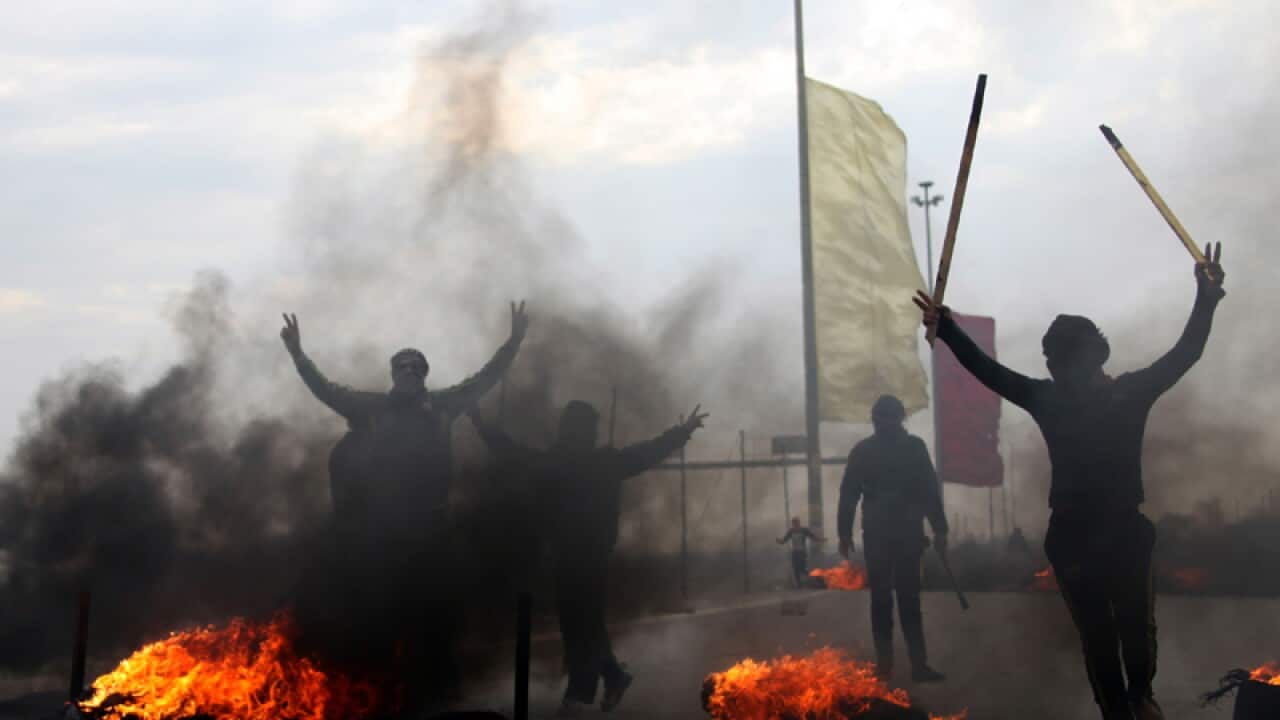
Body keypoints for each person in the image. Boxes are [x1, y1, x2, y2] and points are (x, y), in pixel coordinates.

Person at [913, 244, 1225, 720]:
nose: (1067, 370)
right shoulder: (1096, 395)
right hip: (1094, 536)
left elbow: (989, 372)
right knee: (1113, 632)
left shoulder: (1079, 395)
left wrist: (948, 329)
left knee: (1118, 632)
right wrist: (948, 328)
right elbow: (1187, 352)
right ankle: (1128, 706)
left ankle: (1133, 702)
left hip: (1101, 535)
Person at [280, 301, 528, 712]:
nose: (410, 374)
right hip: (382, 533)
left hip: (431, 528)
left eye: (417, 369)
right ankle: (384, 686)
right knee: (382, 607)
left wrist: (514, 341)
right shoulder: (372, 408)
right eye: (403, 369)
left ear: (424, 376)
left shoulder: (444, 406)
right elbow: (325, 389)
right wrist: (298, 354)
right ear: (394, 375)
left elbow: (487, 377)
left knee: (438, 609)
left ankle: (442, 687)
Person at [470, 402, 707, 717]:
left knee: (583, 625)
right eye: (589, 427)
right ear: (578, 429)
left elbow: (648, 452)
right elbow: (513, 453)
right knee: (581, 623)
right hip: (569, 554)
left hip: (589, 554)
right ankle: (613, 676)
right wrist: (481, 426)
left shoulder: (592, 462)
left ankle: (579, 695)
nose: (592, 433)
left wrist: (682, 431)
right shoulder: (568, 463)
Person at [837, 394, 948, 683]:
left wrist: (844, 532)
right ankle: (910, 666)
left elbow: (849, 494)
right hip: (898, 534)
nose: (885, 423)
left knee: (886, 600)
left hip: (887, 534)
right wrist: (940, 529)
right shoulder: (912, 447)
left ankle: (890, 666)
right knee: (900, 600)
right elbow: (929, 492)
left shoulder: (867, 450)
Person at [776, 517, 824, 588]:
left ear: (799, 523)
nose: (795, 524)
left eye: (796, 522)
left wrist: (820, 539)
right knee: (795, 569)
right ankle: (799, 584)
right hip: (795, 552)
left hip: (802, 552)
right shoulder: (791, 531)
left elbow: (813, 537)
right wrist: (779, 541)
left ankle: (816, 577)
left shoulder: (804, 530)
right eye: (794, 523)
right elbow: (784, 540)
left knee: (802, 569)